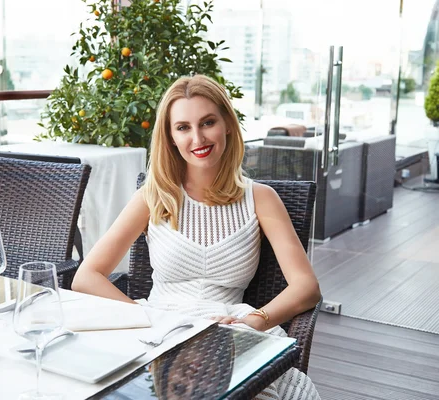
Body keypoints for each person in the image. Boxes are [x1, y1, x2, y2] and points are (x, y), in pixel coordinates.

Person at [72, 74, 322, 399]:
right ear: (171, 137)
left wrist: (255, 320)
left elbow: (306, 287)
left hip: (228, 330)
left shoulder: (261, 198)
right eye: (183, 127)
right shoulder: (154, 196)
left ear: (227, 125)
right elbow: (86, 276)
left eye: (207, 122)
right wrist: (147, 319)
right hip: (161, 329)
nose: (197, 137)